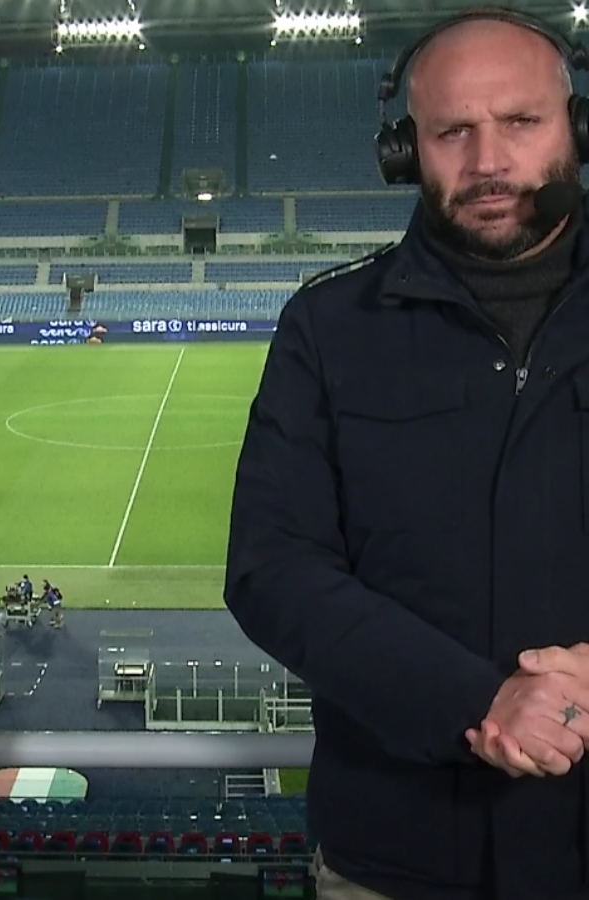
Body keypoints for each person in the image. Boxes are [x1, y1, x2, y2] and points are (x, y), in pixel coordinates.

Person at [225, 8, 589, 900]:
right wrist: (477, 701)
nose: (488, 160)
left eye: (521, 121)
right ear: (404, 150)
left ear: (577, 128)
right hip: (395, 858)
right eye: (452, 131)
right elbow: (273, 568)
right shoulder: (329, 327)